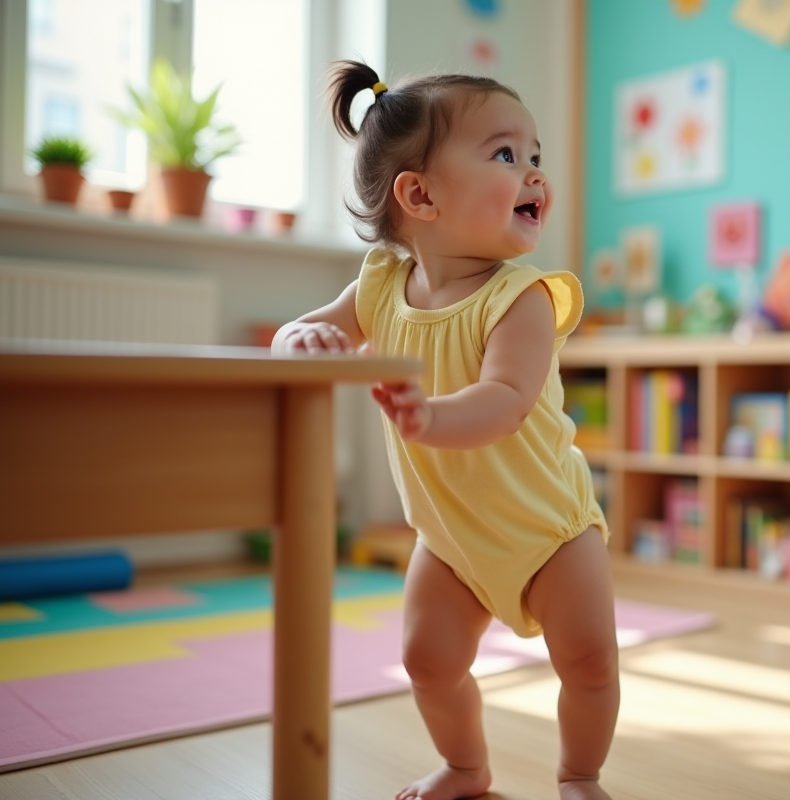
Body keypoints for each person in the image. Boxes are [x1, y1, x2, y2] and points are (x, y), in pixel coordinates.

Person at [273, 61, 618, 800]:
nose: (533, 175)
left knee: (588, 664)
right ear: (419, 195)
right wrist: (300, 339)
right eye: (505, 155)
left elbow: (506, 400)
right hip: (450, 536)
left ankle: (578, 776)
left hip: (549, 529)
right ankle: (467, 767)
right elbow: (300, 329)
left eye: (535, 158)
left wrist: (430, 417)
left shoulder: (520, 296)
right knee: (428, 662)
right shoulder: (377, 285)